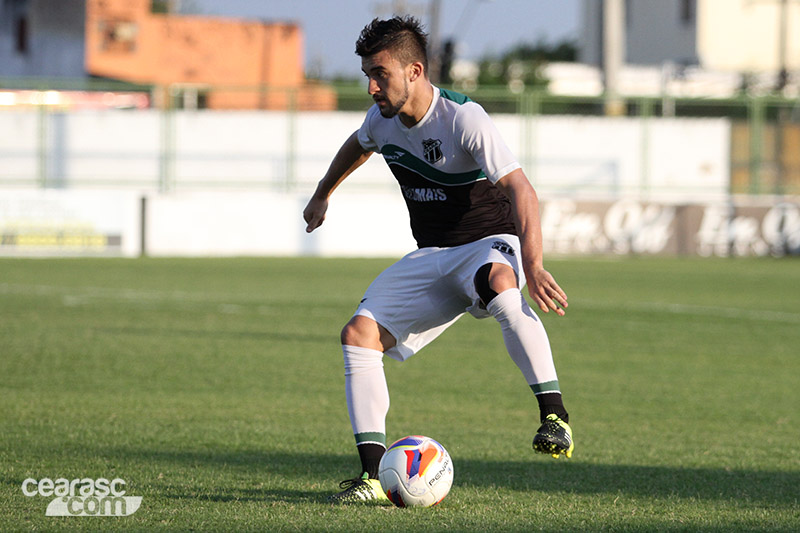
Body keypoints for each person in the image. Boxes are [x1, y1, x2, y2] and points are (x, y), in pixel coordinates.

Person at [303, 16, 573, 504]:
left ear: (415, 70)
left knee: (499, 284)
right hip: (432, 255)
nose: (371, 87)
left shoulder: (463, 118)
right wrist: (323, 193)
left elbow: (520, 188)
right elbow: (357, 146)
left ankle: (554, 417)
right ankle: (370, 480)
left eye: (380, 73)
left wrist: (533, 264)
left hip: (488, 242)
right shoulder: (380, 121)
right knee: (358, 335)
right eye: (367, 73)